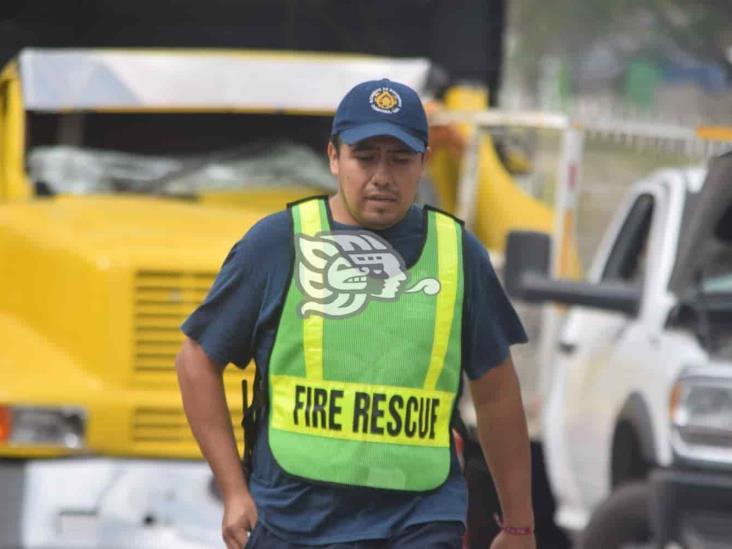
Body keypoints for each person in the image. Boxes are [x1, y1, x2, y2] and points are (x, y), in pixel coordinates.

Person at [176, 78, 536, 549]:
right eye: (365, 157)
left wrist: (519, 525)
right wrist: (232, 490)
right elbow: (196, 360)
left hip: (419, 521)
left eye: (400, 159)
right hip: (291, 521)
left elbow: (497, 394)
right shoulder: (277, 244)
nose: (382, 176)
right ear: (334, 157)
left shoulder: (458, 254)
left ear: (424, 163)